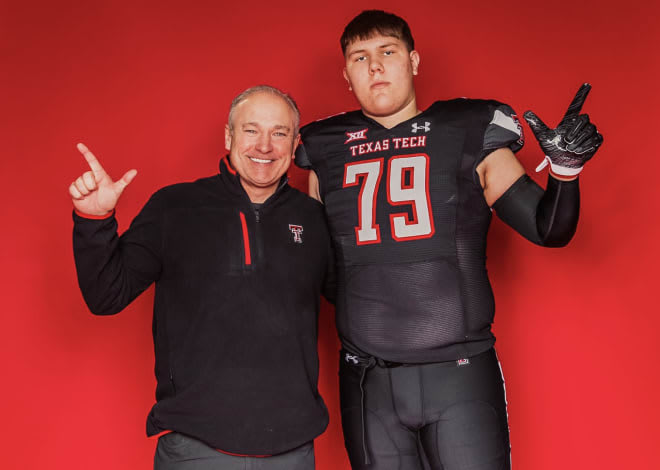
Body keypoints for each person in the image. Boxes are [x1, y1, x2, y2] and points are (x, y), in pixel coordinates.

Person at [295, 10, 602, 470]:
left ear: (414, 61)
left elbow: (548, 228)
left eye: (387, 52)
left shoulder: (468, 129)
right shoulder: (322, 147)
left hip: (459, 376)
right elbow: (320, 267)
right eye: (360, 57)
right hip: (368, 382)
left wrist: (566, 170)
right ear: (346, 73)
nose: (374, 66)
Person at [70, 85, 335, 470]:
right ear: (228, 136)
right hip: (196, 448)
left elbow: (358, 303)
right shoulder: (174, 207)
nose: (264, 146)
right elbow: (106, 296)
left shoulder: (314, 219)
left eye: (279, 133)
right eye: (251, 130)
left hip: (292, 450)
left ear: (294, 145)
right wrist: (94, 222)